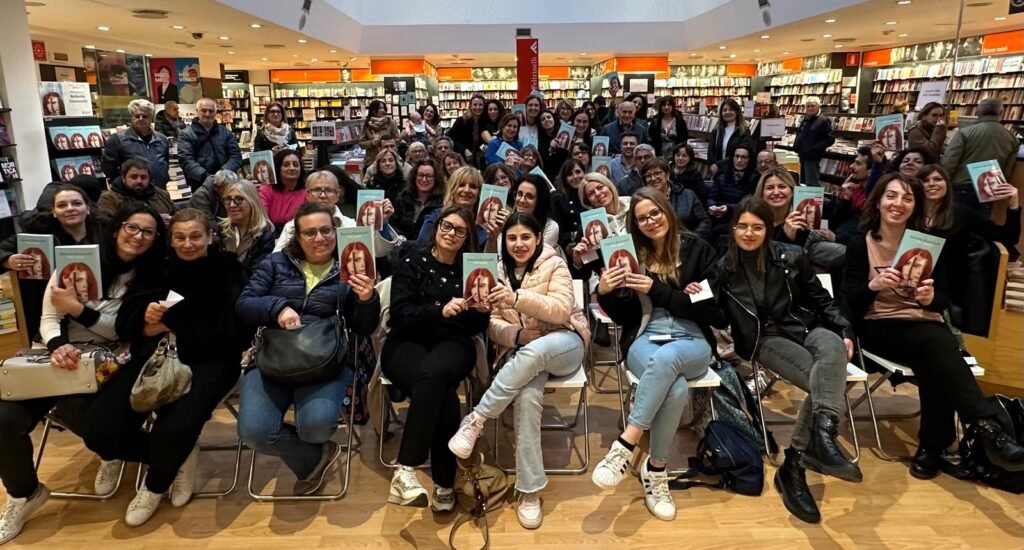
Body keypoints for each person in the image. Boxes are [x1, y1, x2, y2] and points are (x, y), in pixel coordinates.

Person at [0, 204, 167, 545]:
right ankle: (24, 494)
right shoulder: (75, 260)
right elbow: (49, 317)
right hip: (56, 354)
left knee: (80, 410)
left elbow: (121, 329)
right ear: (117, 227)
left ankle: (113, 453)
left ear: (155, 239)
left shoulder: (150, 275)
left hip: (106, 357)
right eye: (132, 227)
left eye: (148, 232)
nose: (138, 236)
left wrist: (77, 309)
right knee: (3, 419)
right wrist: (58, 345)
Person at [842, 173, 1024, 479]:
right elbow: (850, 302)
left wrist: (930, 298)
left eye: (907, 198)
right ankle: (986, 427)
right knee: (937, 344)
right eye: (891, 196)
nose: (898, 203)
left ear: (915, 206)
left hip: (923, 326)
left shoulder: (927, 244)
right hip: (878, 326)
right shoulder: (861, 243)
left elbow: (942, 299)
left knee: (933, 357)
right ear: (879, 201)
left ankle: (932, 448)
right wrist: (873, 286)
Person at [82, 209, 244, 526]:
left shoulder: (228, 268)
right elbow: (126, 323)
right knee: (99, 432)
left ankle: (156, 484)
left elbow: (233, 328)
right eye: (179, 237)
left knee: (174, 428)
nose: (187, 244)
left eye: (195, 236)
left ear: (210, 237)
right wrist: (144, 320)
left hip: (212, 360)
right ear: (170, 240)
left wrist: (170, 320)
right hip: (153, 356)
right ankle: (176, 457)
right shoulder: (156, 268)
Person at [708, 196, 860, 523]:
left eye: (757, 227)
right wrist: (699, 297)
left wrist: (844, 329)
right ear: (733, 229)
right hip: (764, 339)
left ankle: (812, 446)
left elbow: (821, 298)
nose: (749, 233)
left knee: (833, 346)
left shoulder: (791, 255)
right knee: (829, 382)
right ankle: (803, 457)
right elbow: (716, 316)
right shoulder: (723, 269)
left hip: (805, 326)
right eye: (742, 226)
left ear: (768, 229)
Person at [447, 212, 589, 529]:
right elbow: (492, 324)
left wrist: (516, 298)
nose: (519, 244)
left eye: (525, 237)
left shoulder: (555, 264)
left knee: (536, 351)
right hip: (523, 352)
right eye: (512, 238)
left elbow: (561, 310)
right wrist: (517, 335)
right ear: (504, 241)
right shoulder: (495, 270)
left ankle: (477, 419)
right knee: (527, 396)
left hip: (565, 342)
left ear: (538, 238)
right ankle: (529, 489)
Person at [592, 187, 719, 521]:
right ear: (634, 224)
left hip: (692, 338)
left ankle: (625, 445)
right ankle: (657, 470)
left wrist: (658, 290)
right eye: (641, 218)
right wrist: (604, 293)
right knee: (674, 386)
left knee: (668, 360)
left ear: (667, 211)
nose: (650, 221)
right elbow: (625, 316)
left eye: (655, 213)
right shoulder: (631, 255)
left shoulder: (698, 250)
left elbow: (714, 312)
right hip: (645, 336)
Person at [236, 202, 380, 496]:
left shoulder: (350, 266)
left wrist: (367, 299)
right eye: (310, 232)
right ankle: (314, 457)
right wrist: (277, 308)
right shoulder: (276, 263)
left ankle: (314, 448)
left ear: (336, 231)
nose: (320, 238)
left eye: (326, 230)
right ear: (298, 237)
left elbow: (364, 328)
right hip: (273, 356)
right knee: (255, 433)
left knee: (316, 427)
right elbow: (244, 304)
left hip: (326, 358)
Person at [382, 206, 488, 511]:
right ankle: (444, 482)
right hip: (406, 341)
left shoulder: (472, 270)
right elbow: (400, 315)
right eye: (446, 226)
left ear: (467, 238)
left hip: (453, 341)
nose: (451, 233)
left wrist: (481, 311)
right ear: (436, 227)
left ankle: (406, 469)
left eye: (460, 230)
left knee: (433, 375)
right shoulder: (411, 262)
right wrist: (439, 310)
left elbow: (476, 327)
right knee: (443, 394)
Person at [1, 185, 107, 341]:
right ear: (54, 212)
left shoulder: (107, 234)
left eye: (76, 203)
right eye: (62, 205)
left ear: (88, 208)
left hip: (97, 308)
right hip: (48, 311)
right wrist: (7, 260)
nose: (70, 209)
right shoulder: (36, 235)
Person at [920, 163, 1020, 283]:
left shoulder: (963, 214)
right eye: (925, 180)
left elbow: (1009, 238)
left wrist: (1013, 206)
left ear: (947, 184)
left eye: (937, 179)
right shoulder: (909, 213)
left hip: (949, 284)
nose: (931, 183)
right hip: (910, 279)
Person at [756, 168, 845, 270]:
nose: (776, 192)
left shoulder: (800, 216)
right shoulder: (755, 218)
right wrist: (785, 236)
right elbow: (769, 262)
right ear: (762, 193)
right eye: (770, 188)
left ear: (792, 191)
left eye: (782, 186)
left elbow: (796, 260)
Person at [941, 98, 1019, 215]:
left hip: (961, 187)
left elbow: (949, 162)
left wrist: (944, 184)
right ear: (1001, 113)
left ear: (978, 112)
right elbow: (1007, 171)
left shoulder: (964, 132)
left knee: (954, 221)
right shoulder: (1012, 139)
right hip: (988, 189)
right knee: (981, 223)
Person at [416, 166, 500, 251]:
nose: (466, 190)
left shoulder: (486, 223)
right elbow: (421, 249)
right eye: (461, 185)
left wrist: (493, 238)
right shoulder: (435, 217)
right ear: (452, 189)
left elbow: (488, 258)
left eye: (473, 186)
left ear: (479, 192)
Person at [101, 99, 171, 189]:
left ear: (151, 118)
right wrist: (122, 184)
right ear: (131, 117)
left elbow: (165, 163)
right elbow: (108, 167)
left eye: (144, 116)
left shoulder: (162, 139)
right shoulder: (118, 140)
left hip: (159, 190)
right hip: (131, 192)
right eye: (137, 116)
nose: (141, 119)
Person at [570, 172, 632, 274]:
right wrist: (578, 262)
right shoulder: (587, 227)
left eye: (600, 187)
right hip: (613, 280)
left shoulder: (633, 207)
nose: (598, 194)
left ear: (609, 186)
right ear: (588, 201)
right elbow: (585, 274)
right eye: (591, 193)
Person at [178, 98, 243, 191]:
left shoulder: (226, 133)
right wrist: (206, 177)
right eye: (204, 110)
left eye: (211, 111)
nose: (207, 114)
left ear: (216, 112)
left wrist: (223, 174)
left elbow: (236, 155)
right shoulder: (186, 134)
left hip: (226, 182)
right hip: (200, 184)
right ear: (197, 111)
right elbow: (186, 160)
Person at [641, 158, 711, 242]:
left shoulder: (688, 195)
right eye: (648, 176)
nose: (653, 178)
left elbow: (705, 222)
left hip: (688, 243)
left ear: (667, 175)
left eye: (657, 173)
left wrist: (691, 241)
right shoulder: (642, 202)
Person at [218, 179, 275, 277]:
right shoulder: (220, 230)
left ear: (252, 201)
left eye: (239, 199)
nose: (232, 205)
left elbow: (259, 275)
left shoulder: (266, 235)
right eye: (228, 199)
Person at [708, 144, 758, 240]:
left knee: (716, 231)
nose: (739, 160)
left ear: (750, 159)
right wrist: (711, 205)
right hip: (717, 214)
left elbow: (750, 204)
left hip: (740, 217)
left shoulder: (755, 178)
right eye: (737, 156)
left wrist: (728, 208)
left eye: (743, 157)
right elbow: (712, 196)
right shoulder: (722, 174)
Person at [97, 158, 175, 219]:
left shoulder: (162, 195)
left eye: (143, 177)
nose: (139, 181)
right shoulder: (109, 198)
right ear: (123, 178)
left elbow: (177, 215)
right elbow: (108, 224)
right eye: (134, 177)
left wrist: (172, 220)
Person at [258, 149, 307, 237]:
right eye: (286, 165)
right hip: (271, 234)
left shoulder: (307, 191)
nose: (292, 168)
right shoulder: (266, 190)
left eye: (296, 165)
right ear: (277, 168)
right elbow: (262, 220)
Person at [393, 159, 446, 239]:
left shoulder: (442, 203)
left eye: (429, 176)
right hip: (401, 243)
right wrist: (399, 235)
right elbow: (393, 223)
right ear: (414, 177)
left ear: (436, 179)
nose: (424, 179)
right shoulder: (402, 198)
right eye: (420, 175)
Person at [792, 96, 835, 187]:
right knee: (802, 183)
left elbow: (830, 139)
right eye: (808, 106)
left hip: (812, 157)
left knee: (811, 184)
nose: (810, 108)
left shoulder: (823, 120)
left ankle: (813, 196)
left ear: (819, 106)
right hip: (801, 155)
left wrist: (813, 148)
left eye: (812, 106)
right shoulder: (806, 118)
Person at [510, 174, 559, 248]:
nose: (522, 200)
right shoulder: (507, 220)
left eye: (529, 196)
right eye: (519, 194)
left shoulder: (550, 227)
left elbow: (532, 254)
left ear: (540, 201)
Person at [550, 159, 588, 252]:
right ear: (565, 179)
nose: (575, 176)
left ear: (585, 173)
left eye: (578, 172)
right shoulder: (557, 198)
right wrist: (575, 235)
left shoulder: (591, 193)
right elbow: (557, 231)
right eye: (570, 174)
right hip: (570, 246)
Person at [707, 98, 752, 166]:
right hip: (717, 170)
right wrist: (713, 165)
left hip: (734, 168)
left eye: (731, 109)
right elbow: (710, 151)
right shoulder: (716, 130)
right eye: (724, 110)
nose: (727, 112)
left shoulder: (744, 131)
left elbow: (740, 153)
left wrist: (718, 165)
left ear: (737, 112)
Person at [447, 94, 486, 165]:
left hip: (478, 160)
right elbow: (449, 138)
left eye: (480, 105)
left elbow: (481, 142)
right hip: (461, 158)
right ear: (470, 106)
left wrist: (483, 147)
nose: (477, 107)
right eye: (475, 105)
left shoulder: (485, 122)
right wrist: (464, 149)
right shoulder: (461, 121)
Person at [359, 100, 400, 167]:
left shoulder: (390, 122)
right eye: (380, 108)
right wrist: (372, 143)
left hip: (389, 159)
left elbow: (398, 139)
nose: (383, 110)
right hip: (372, 160)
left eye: (384, 108)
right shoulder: (367, 124)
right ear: (373, 110)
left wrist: (387, 143)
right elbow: (361, 143)